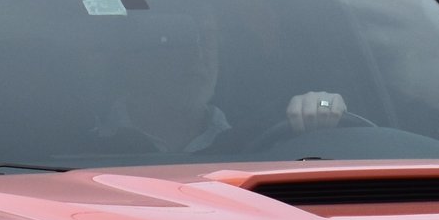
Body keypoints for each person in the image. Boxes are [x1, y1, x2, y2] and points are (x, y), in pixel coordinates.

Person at [98, 19, 346, 156]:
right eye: (176, 42)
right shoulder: (86, 145)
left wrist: (323, 106)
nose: (198, 56)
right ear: (133, 60)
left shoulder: (266, 137)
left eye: (207, 42)